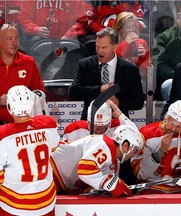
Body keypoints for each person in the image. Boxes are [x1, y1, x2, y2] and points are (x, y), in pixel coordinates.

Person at [52, 99, 138, 194]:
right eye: (95, 126)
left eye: (102, 127)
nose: (98, 130)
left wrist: (119, 113)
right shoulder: (105, 143)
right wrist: (110, 184)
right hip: (55, 173)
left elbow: (135, 136)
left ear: (109, 123)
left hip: (68, 180)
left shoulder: (115, 133)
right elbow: (84, 168)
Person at [0, 85, 59, 215]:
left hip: (14, 205)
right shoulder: (48, 124)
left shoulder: (3, 135)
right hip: (45, 202)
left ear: (9, 107)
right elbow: (53, 148)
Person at [131, 100, 181, 193]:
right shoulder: (145, 134)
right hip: (152, 187)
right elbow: (141, 175)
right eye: (172, 124)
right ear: (166, 117)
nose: (174, 129)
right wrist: (160, 151)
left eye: (180, 127)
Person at [69, 27, 144, 120]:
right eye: (97, 46)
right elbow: (74, 92)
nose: (99, 51)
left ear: (115, 47)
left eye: (104, 47)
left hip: (118, 122)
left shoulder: (129, 69)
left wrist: (118, 103)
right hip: (90, 121)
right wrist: (101, 89)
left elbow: (139, 102)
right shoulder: (85, 65)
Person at [78, 125, 143, 197]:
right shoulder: (106, 145)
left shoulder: (112, 159)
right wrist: (112, 184)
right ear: (125, 145)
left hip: (64, 181)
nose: (133, 155)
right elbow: (84, 169)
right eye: (134, 150)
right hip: (63, 170)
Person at [0, 23, 45, 124]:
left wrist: (25, 98)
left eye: (17, 38)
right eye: (9, 39)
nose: (14, 43)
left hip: (22, 124)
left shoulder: (29, 62)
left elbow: (40, 92)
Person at [18, 0, 89, 51]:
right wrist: (35, 29)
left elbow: (81, 20)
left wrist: (69, 35)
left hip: (68, 39)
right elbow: (24, 18)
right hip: (39, 38)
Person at [112, 12, 150, 79]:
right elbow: (112, 61)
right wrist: (126, 43)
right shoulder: (112, 42)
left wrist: (143, 57)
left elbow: (146, 73)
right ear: (119, 29)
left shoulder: (141, 42)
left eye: (133, 26)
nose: (131, 30)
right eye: (128, 27)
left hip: (136, 79)